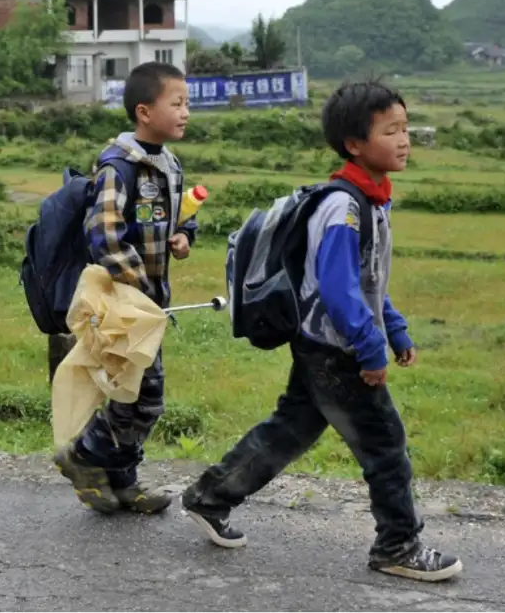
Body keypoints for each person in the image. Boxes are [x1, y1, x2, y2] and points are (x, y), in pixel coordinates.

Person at [180, 80, 462, 582]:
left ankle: (209, 496)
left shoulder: (371, 201)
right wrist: (371, 349)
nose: (404, 140)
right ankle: (397, 546)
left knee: (289, 430)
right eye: (390, 130)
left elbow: (368, 280)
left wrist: (394, 328)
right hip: (337, 352)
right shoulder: (344, 207)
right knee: (385, 445)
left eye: (406, 128)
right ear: (355, 144)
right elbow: (337, 289)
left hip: (323, 345)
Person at [53, 61, 196, 514]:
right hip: (125, 304)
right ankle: (82, 455)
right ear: (143, 112)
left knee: (131, 389)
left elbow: (178, 219)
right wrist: (139, 287)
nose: (186, 111)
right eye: (176, 103)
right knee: (145, 396)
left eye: (187, 103)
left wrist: (183, 237)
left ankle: (123, 480)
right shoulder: (119, 166)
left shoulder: (169, 165)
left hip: (150, 304)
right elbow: (105, 237)